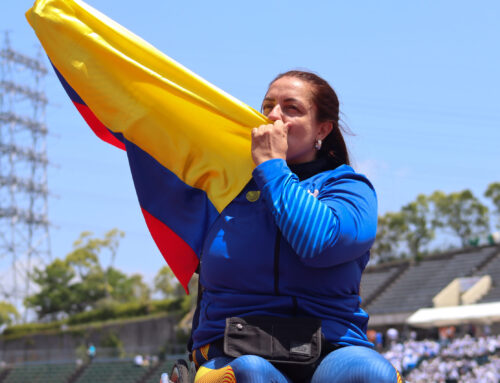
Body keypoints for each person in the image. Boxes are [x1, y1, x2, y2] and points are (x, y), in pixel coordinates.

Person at [188, 70, 402, 382]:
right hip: (231, 346)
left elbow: (318, 244)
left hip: (331, 346)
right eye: (267, 107)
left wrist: (272, 167)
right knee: (251, 372)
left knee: (370, 374)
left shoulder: (350, 189)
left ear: (322, 128)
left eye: (291, 108)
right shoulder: (225, 187)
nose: (274, 116)